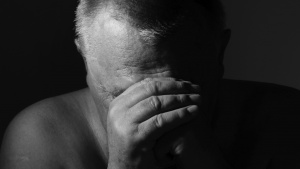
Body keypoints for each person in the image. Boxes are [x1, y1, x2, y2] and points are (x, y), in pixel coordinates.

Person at [1, 0, 300, 168]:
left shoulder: (286, 120)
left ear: (219, 53)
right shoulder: (40, 139)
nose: (154, 121)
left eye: (180, 90)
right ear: (85, 57)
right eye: (122, 94)